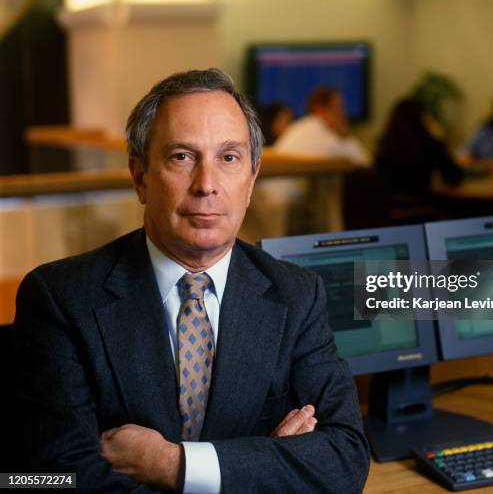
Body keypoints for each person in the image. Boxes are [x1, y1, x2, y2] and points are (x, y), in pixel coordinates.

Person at [13, 69, 370, 493]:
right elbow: (54, 479)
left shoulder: (297, 294)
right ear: (140, 176)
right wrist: (264, 467)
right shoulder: (60, 299)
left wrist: (172, 465)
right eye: (181, 156)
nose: (207, 185)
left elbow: (344, 459)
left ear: (252, 179)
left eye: (229, 158)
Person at [374, 97, 462, 204]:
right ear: (422, 118)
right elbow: (454, 176)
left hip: (388, 209)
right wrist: (439, 137)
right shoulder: (429, 143)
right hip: (421, 206)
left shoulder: (384, 143)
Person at [273, 87, 370, 165]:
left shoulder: (298, 127)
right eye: (338, 108)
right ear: (319, 108)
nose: (343, 114)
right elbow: (363, 161)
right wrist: (345, 135)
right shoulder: (321, 133)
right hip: (283, 190)